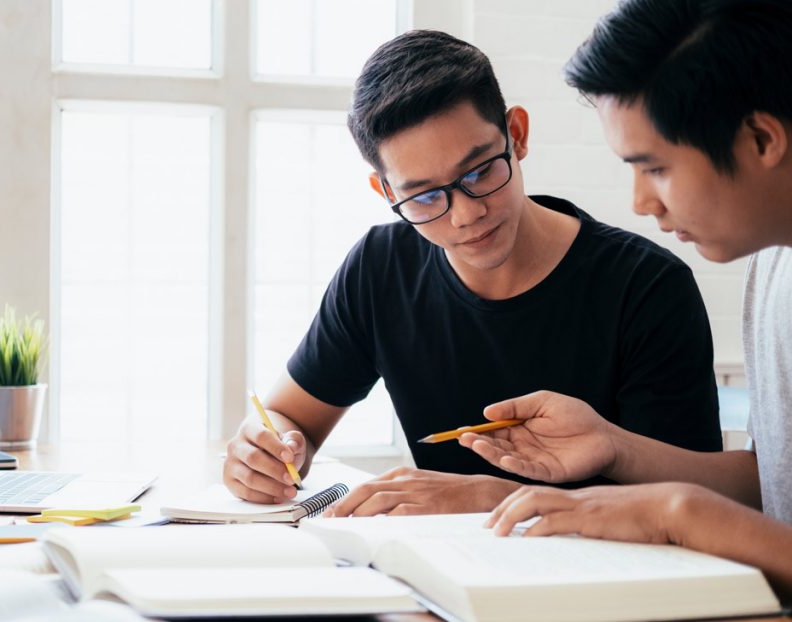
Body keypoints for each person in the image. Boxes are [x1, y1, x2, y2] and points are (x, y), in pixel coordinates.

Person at [224, 30, 722, 516]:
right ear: (386, 193)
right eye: (422, 198)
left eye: (480, 172)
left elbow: (697, 505)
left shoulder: (647, 287)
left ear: (517, 136)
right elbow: (293, 420)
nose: (464, 215)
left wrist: (496, 499)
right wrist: (268, 452)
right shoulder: (379, 269)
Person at [459, 0, 792, 600]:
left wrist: (678, 514)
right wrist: (613, 448)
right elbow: (776, 484)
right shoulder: (773, 259)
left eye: (655, 167)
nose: (641, 202)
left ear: (762, 138)